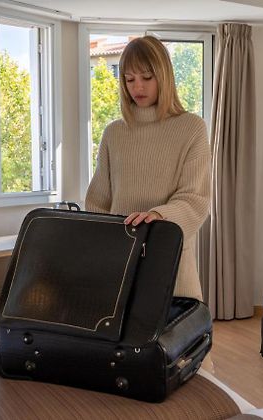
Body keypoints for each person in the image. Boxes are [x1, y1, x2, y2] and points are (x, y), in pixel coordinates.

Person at [85, 35, 211, 300]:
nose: (137, 87)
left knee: (171, 328)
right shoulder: (113, 133)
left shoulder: (191, 128)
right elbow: (97, 202)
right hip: (119, 269)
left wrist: (157, 216)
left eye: (147, 77)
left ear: (164, 76)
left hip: (172, 270)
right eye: (129, 79)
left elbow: (195, 199)